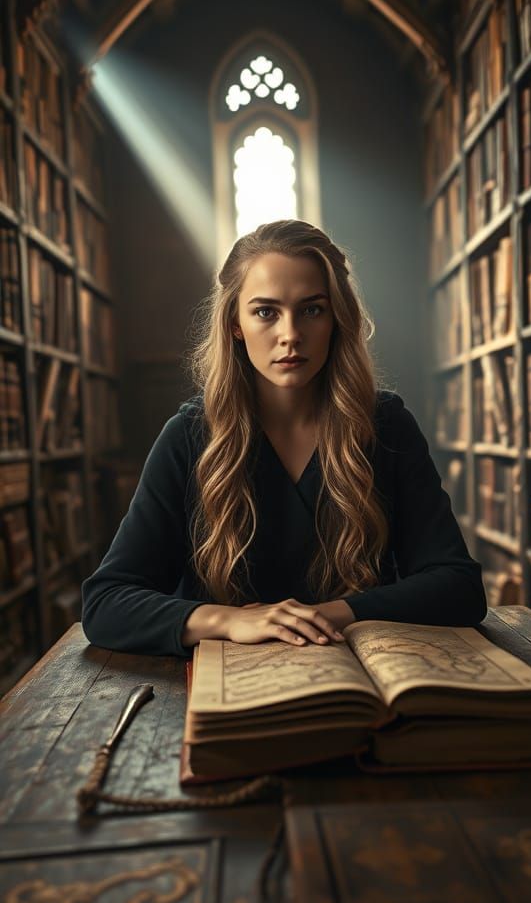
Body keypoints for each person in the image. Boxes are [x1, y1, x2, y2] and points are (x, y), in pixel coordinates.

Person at [81, 219, 487, 657]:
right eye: (265, 312)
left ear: (336, 319)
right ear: (235, 323)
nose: (290, 334)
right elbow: (106, 603)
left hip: (362, 684)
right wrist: (230, 620)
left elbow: (458, 585)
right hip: (223, 693)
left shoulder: (385, 425)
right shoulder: (189, 436)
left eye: (312, 309)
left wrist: (332, 614)